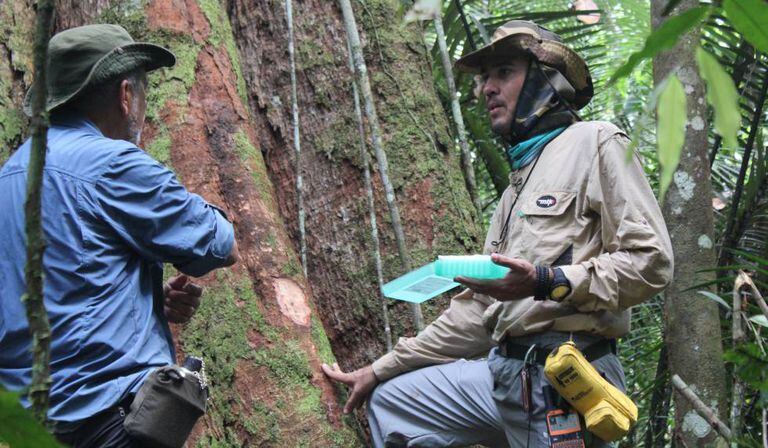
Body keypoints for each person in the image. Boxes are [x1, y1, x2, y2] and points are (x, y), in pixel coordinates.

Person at [323, 20, 673, 447]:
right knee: (392, 403)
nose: (486, 88)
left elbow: (651, 262)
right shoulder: (515, 188)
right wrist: (379, 369)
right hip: (503, 374)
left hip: (566, 374)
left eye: (503, 72)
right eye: (485, 77)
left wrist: (548, 282)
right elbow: (478, 312)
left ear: (546, 81)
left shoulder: (595, 142)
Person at [0, 24, 238, 447]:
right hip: (104, 421)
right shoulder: (114, 164)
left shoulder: (10, 176)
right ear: (126, 95)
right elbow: (217, 243)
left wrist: (140, 295)